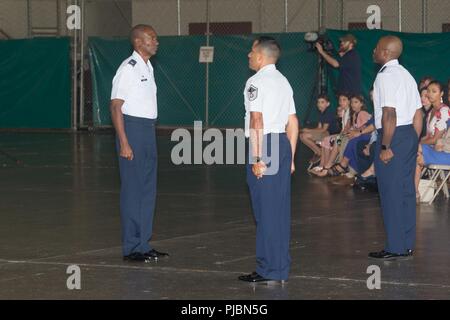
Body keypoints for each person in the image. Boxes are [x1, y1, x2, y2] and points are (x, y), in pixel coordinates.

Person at [238, 36, 299, 283]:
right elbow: (293, 122)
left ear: (261, 56)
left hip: (266, 145)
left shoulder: (255, 82)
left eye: (251, 52)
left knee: (265, 212)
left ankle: (268, 270)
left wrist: (257, 157)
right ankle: (279, 266)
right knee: (279, 211)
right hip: (283, 145)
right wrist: (291, 158)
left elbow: (256, 121)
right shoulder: (284, 82)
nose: (248, 56)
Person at [110, 25, 168, 262]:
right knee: (134, 191)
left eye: (155, 37)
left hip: (147, 130)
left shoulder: (147, 66)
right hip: (132, 130)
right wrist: (124, 142)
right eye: (151, 38)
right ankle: (132, 247)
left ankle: (143, 244)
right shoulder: (128, 69)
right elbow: (115, 106)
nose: (156, 41)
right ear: (137, 42)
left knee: (147, 189)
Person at [370, 35, 423, 260]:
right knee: (405, 192)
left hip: (392, 136)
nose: (373, 51)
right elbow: (418, 113)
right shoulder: (406, 74)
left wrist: (385, 146)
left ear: (385, 52)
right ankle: (406, 244)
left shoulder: (385, 77)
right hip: (409, 133)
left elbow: (389, 113)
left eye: (376, 48)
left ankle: (395, 247)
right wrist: (413, 139)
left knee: (391, 193)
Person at [415, 81, 450, 201]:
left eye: (434, 91)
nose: (430, 94)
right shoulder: (431, 112)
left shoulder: (444, 111)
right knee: (415, 153)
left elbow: (435, 139)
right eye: (428, 91)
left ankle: (413, 192)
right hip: (434, 149)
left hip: (445, 152)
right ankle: (414, 192)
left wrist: (417, 144)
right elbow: (427, 137)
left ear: (441, 94)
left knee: (416, 150)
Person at [299, 94, 340, 166]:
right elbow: (319, 127)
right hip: (325, 132)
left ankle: (320, 153)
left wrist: (308, 131)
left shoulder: (328, 112)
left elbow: (323, 129)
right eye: (318, 102)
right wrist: (308, 130)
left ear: (328, 104)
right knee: (302, 136)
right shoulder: (321, 112)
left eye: (322, 102)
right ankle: (318, 152)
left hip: (330, 134)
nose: (319, 104)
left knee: (305, 136)